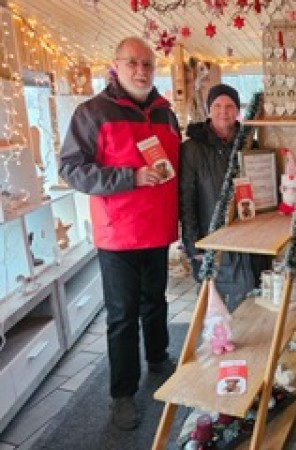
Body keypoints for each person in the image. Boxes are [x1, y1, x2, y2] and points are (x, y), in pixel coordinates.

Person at [59, 36, 180, 430]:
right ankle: (123, 394)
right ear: (116, 64)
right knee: (122, 317)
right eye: (133, 63)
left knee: (156, 301)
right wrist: (128, 177)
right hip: (119, 234)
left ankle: (159, 358)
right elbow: (71, 168)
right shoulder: (92, 112)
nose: (142, 70)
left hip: (159, 229)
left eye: (148, 63)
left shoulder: (166, 113)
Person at [179, 84, 266, 308]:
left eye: (229, 106)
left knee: (247, 304)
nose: (223, 111)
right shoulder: (192, 149)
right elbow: (186, 197)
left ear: (237, 110)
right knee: (214, 308)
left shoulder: (250, 144)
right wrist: (193, 243)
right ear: (209, 109)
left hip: (247, 238)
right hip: (211, 239)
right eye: (217, 105)